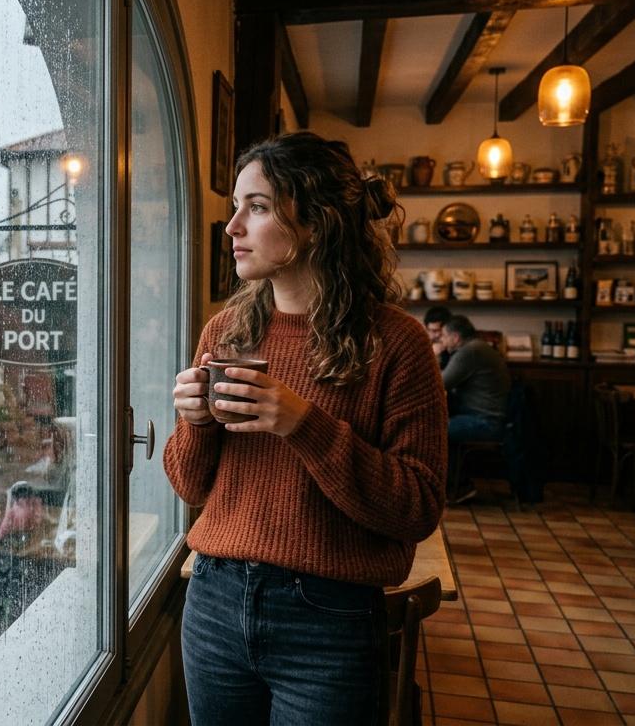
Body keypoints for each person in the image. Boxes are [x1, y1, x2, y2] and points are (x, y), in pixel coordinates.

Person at [163, 132, 446, 724]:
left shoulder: (396, 342)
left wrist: (304, 425)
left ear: (316, 222)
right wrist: (193, 423)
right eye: (236, 206)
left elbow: (418, 506)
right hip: (214, 598)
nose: (232, 227)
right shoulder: (226, 332)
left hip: (331, 619)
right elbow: (192, 487)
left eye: (257, 207)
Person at [438, 314, 512, 504]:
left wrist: (437, 354)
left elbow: (440, 383)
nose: (442, 340)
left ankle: (457, 487)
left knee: (436, 431)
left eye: (444, 336)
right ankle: (456, 485)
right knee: (442, 428)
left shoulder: (469, 352)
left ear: (455, 337)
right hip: (491, 417)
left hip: (486, 422)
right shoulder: (477, 347)